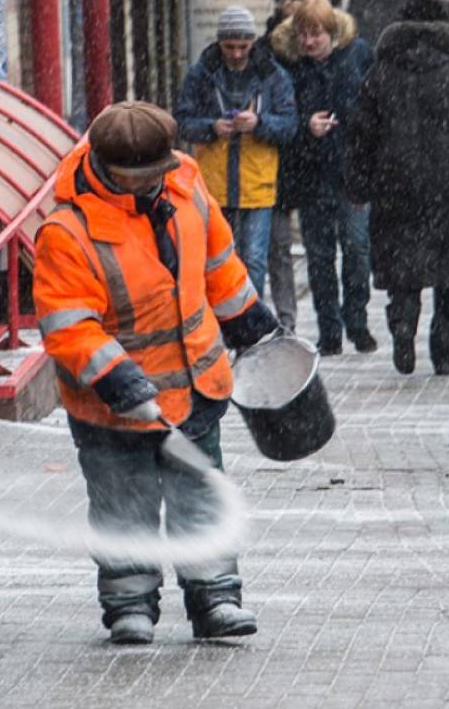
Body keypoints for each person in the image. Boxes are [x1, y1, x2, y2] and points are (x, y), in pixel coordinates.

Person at [32, 101, 280, 645]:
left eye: (156, 172)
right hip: (112, 407)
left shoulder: (185, 183)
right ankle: (129, 604)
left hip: (195, 388)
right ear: (107, 167)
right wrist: (116, 376)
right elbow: (69, 325)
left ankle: (215, 597)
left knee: (200, 496)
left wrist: (248, 319)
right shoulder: (67, 232)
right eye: (137, 177)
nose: (150, 184)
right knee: (124, 505)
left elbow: (218, 261)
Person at [345, 0, 449, 377]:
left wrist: (358, 187)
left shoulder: (379, 75)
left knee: (403, 269)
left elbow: (360, 136)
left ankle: (403, 327)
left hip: (394, 188)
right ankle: (445, 355)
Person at [272, 0, 378, 357]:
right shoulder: (289, 67)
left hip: (351, 172)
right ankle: (329, 330)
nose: (308, 41)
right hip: (311, 174)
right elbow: (283, 118)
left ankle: (357, 321)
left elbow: (374, 107)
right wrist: (307, 126)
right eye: (303, 34)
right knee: (319, 257)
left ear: (331, 32)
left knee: (357, 248)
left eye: (315, 34)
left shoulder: (357, 56)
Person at [175, 5, 297, 299]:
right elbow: (181, 122)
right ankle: (224, 316)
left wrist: (259, 123)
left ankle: (249, 317)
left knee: (254, 259)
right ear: (219, 42)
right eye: (230, 46)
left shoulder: (272, 75)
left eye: (243, 46)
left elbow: (290, 124)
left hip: (257, 180)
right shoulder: (201, 74)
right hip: (214, 183)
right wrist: (211, 127)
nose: (237, 53)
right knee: (218, 259)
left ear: (252, 41)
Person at [256, 0, 313, 333]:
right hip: (274, 161)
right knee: (275, 247)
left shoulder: (322, 52)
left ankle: (293, 318)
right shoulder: (264, 55)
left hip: (308, 160)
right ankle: (283, 319)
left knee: (308, 249)